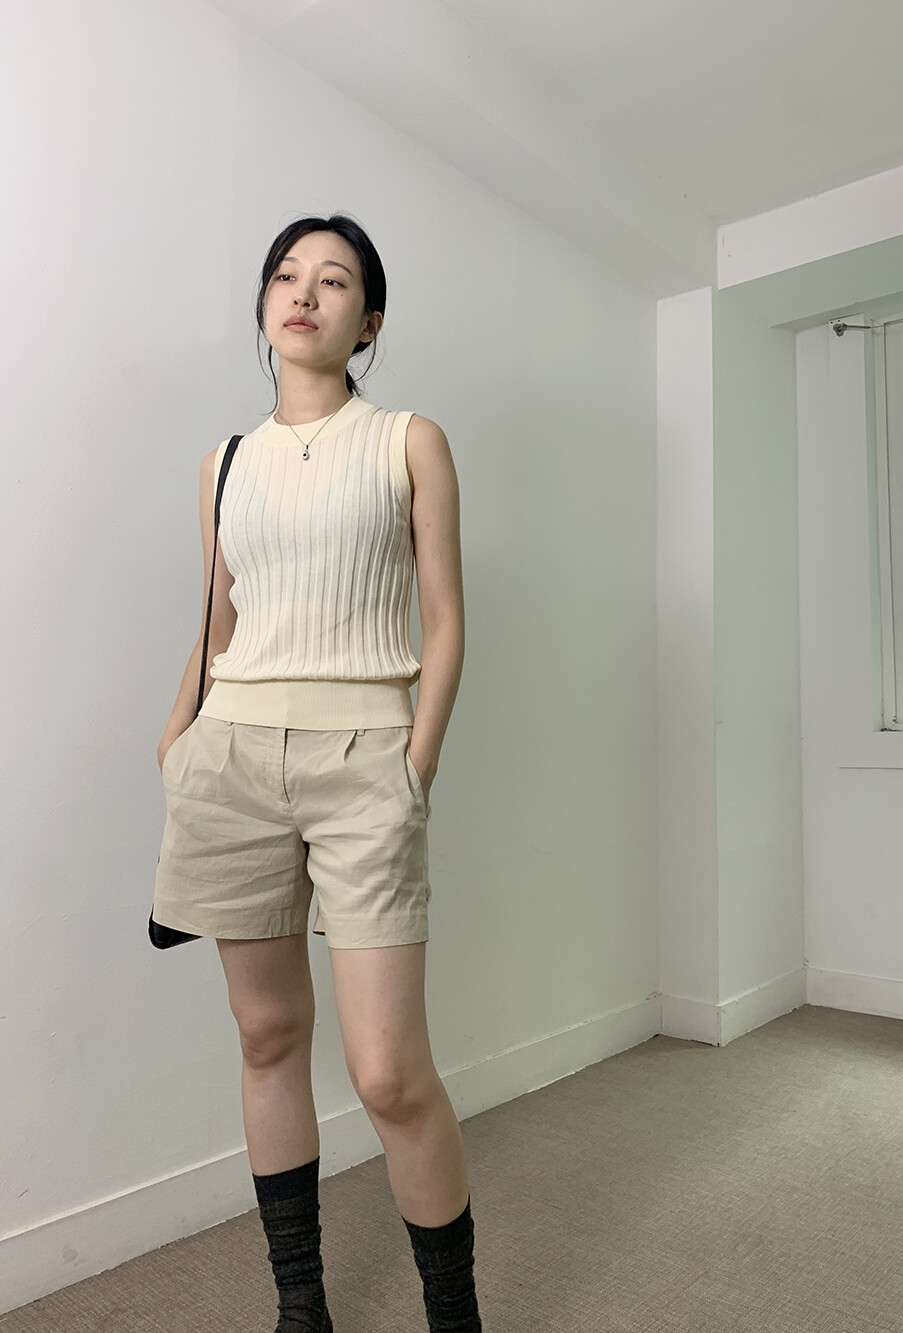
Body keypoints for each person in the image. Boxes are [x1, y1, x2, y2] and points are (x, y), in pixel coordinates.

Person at [151, 214, 481, 1332]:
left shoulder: (408, 440)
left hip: (363, 760)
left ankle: (453, 1316)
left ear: (367, 322)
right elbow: (219, 616)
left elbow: (444, 619)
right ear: (264, 305)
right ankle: (303, 1306)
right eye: (287, 276)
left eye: (333, 281)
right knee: (267, 1037)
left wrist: (414, 761)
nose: (304, 293)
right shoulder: (223, 463)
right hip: (230, 758)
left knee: (388, 1072)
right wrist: (177, 736)